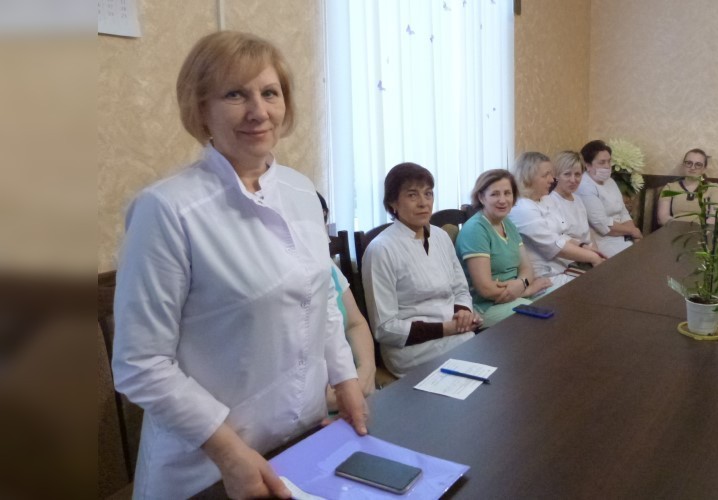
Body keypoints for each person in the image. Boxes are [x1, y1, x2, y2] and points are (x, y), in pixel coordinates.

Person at [111, 31, 368, 499]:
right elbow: (140, 364)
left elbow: (320, 301)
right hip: (208, 467)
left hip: (302, 444)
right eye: (235, 94)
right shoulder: (167, 209)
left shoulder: (300, 191)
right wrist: (229, 452)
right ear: (200, 108)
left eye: (270, 93)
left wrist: (344, 377)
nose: (258, 111)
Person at [362, 163, 482, 377]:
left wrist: (463, 312)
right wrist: (447, 328)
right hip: (414, 350)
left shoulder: (440, 236)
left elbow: (460, 288)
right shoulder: (381, 249)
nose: (423, 203)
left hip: (456, 334)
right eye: (412, 195)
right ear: (393, 203)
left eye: (428, 194)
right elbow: (385, 328)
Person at [456, 169, 552, 328]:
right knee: (542, 321)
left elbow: (527, 268)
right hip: (486, 306)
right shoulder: (475, 230)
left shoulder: (507, 223)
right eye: (494, 194)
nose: (503, 200)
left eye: (507, 193)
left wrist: (521, 283)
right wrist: (526, 290)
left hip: (513, 295)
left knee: (560, 299)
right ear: (481, 197)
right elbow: (485, 289)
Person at [509, 152, 606, 287]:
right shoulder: (523, 208)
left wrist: (583, 246)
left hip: (563, 267)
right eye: (545, 175)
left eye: (551, 174)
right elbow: (553, 245)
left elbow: (562, 235)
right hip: (543, 277)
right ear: (528, 178)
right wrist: (592, 257)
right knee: (599, 285)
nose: (551, 180)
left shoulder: (545, 199)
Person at [317, 193, 377, 409]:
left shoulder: (328, 266)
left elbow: (355, 323)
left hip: (353, 389)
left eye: (322, 218)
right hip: (310, 408)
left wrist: (366, 370)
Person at [575, 140, 642, 257]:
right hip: (603, 239)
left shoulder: (610, 181)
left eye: (609, 161)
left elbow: (623, 212)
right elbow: (601, 224)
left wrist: (634, 235)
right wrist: (632, 231)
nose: (607, 166)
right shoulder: (584, 186)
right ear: (588, 165)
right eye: (602, 162)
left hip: (624, 234)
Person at [657, 148, 718, 226]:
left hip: (702, 231)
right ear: (683, 165)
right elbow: (662, 217)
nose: (692, 168)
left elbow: (715, 218)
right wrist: (677, 227)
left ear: (704, 169)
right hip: (674, 229)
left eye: (698, 164)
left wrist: (701, 231)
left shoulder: (714, 188)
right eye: (689, 163)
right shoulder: (670, 187)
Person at [551, 150, 600, 252]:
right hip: (569, 255)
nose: (573, 180)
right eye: (567, 174)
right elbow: (559, 238)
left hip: (587, 252)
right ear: (556, 175)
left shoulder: (578, 200)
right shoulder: (551, 202)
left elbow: (588, 235)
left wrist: (597, 252)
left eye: (577, 174)